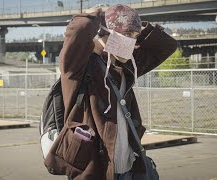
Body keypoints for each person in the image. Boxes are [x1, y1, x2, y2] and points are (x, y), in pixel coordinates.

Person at [44, 4, 177, 180]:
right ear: (106, 32)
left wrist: (136, 25)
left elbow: (167, 45)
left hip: (128, 169)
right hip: (92, 171)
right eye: (127, 35)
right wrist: (93, 16)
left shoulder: (127, 66)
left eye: (135, 37)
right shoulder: (80, 66)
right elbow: (76, 35)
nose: (132, 42)